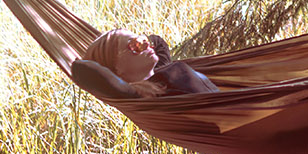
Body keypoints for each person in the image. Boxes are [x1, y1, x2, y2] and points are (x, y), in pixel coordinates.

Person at [81, 29, 220, 97]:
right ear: (117, 68)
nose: (146, 44)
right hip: (232, 115)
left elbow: (159, 43)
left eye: (142, 40)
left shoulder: (160, 67)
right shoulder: (138, 95)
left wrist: (141, 41)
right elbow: (84, 70)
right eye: (134, 45)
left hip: (234, 104)